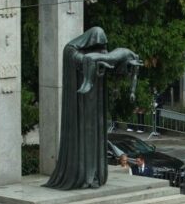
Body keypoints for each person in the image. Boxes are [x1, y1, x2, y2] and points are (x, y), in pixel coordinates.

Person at [45, 27, 141, 189]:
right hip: (80, 102)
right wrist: (92, 61)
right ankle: (82, 173)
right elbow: (77, 58)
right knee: (83, 133)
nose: (102, 50)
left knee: (95, 133)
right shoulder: (71, 49)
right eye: (98, 46)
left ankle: (94, 173)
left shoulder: (105, 54)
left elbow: (117, 68)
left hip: (96, 100)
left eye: (103, 47)